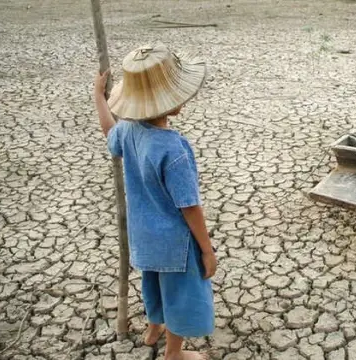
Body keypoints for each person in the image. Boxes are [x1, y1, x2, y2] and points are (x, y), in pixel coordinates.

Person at [93, 43, 216, 360]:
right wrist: (206, 249)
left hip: (143, 237)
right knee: (178, 296)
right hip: (175, 243)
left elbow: (110, 133)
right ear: (173, 102)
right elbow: (189, 206)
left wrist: (99, 98)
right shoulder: (173, 149)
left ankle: (152, 329)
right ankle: (174, 354)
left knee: (153, 286)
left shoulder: (130, 131)